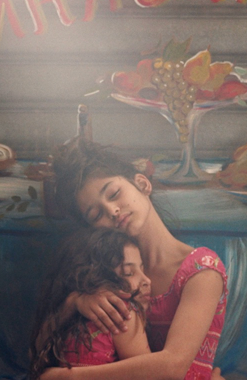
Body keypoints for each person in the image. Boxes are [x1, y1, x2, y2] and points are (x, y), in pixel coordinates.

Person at [41, 138, 228, 380]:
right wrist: (74, 303)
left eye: (114, 193)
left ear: (142, 183)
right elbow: (40, 347)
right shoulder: (105, 273)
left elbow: (173, 366)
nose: (112, 210)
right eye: (96, 214)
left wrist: (67, 377)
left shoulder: (202, 271)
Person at [28, 227, 153, 379]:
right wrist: (71, 304)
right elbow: (35, 355)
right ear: (97, 275)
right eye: (128, 273)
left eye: (142, 268)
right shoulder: (70, 311)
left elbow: (145, 374)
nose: (147, 280)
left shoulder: (123, 313)